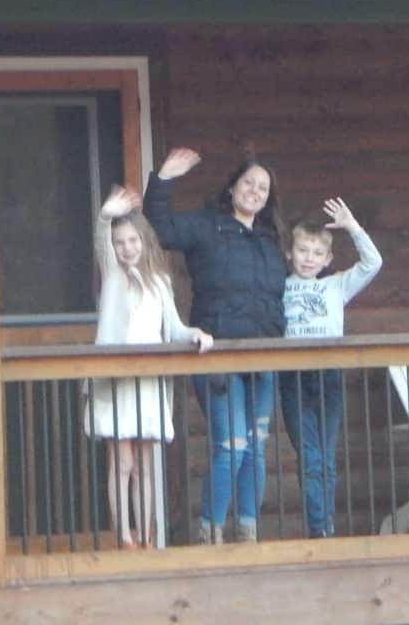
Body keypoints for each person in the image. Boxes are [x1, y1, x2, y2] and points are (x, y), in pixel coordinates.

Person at [143, 147, 286, 543]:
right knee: (231, 445)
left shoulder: (271, 240)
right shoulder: (207, 225)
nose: (254, 191)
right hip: (218, 355)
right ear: (232, 186)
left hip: (264, 356)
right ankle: (210, 532)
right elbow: (158, 230)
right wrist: (164, 180)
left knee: (256, 446)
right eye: (248, 183)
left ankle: (247, 532)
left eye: (262, 188)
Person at [87, 185, 212, 548]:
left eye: (132, 241)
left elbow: (173, 327)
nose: (127, 248)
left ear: (145, 241)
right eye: (120, 242)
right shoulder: (113, 276)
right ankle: (124, 534)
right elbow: (101, 240)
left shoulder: (160, 281)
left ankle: (147, 533)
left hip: (148, 381)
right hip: (117, 380)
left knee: (144, 463)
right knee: (121, 461)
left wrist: (196, 334)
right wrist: (105, 216)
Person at [279, 197, 382, 538]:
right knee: (309, 456)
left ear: (327, 259)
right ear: (290, 254)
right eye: (302, 250)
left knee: (325, 456)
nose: (308, 258)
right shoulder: (280, 287)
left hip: (328, 375)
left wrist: (352, 227)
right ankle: (319, 529)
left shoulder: (336, 285)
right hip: (293, 375)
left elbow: (373, 263)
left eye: (316, 252)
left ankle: (325, 527)